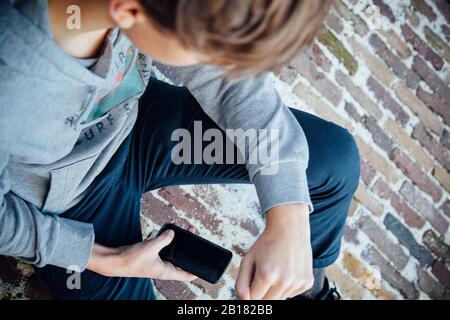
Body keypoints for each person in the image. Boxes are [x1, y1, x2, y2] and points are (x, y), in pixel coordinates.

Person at [0, 0, 360, 300]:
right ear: (127, 11)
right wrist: (98, 257)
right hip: (69, 205)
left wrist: (289, 216)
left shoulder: (147, 10)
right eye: (209, 50)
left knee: (332, 158)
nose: (221, 63)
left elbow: (230, 82)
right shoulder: (13, 82)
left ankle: (302, 291)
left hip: (139, 126)